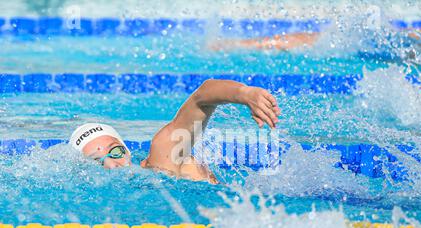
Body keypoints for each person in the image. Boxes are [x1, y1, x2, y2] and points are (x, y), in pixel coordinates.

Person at [69, 79, 281, 184]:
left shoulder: (162, 157)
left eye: (115, 152)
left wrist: (245, 94)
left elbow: (202, 96)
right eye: (97, 161)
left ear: (127, 150)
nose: (111, 164)